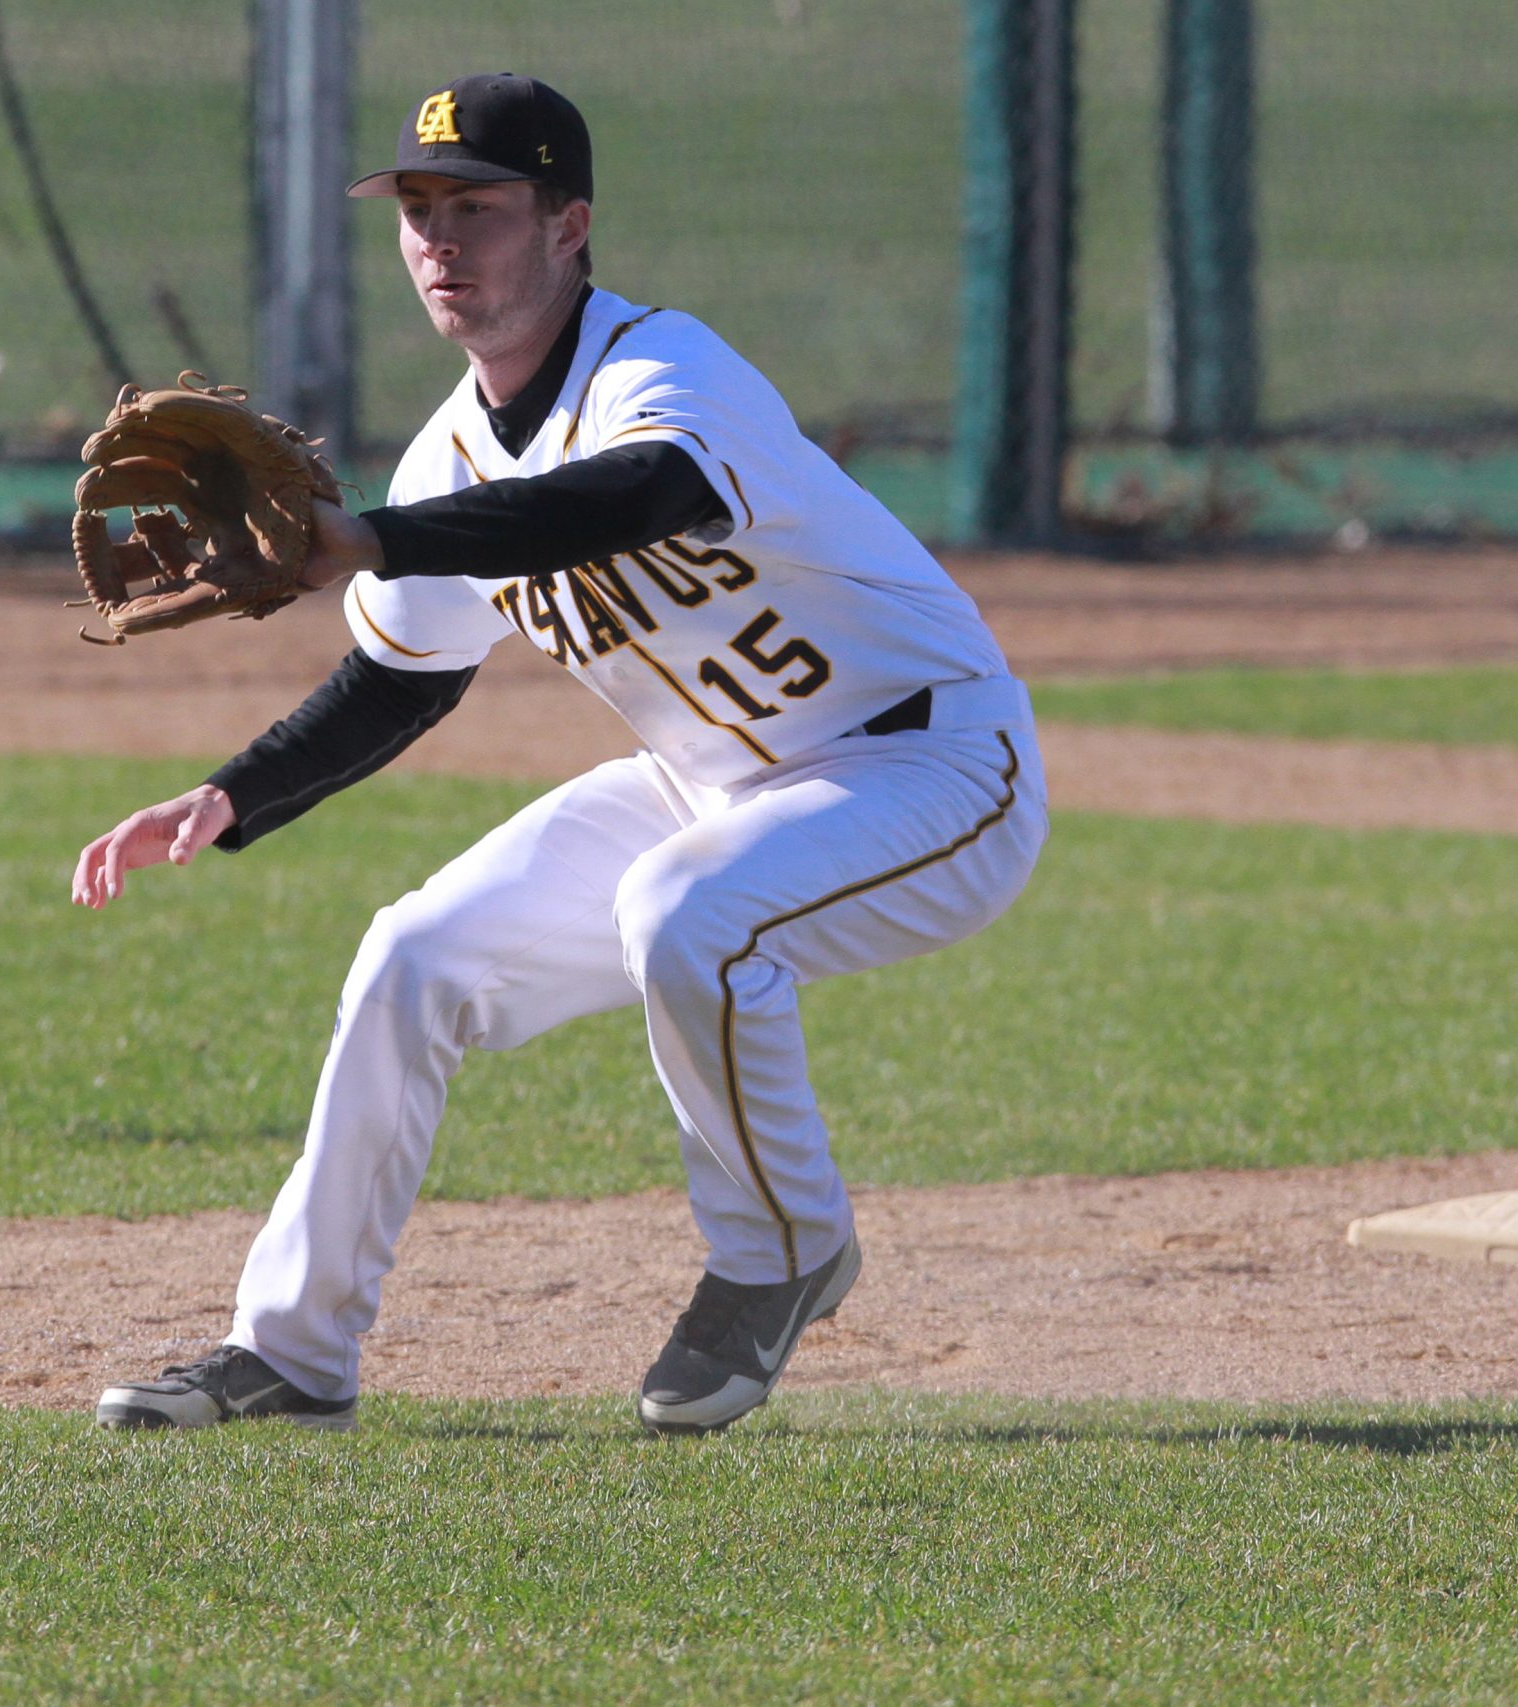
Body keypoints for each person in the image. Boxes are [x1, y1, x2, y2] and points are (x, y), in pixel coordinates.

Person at [76, 72, 1047, 1436]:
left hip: (932, 768)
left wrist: (384, 538)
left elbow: (646, 492)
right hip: (711, 784)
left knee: (685, 912)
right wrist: (232, 795)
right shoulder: (448, 457)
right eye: (416, 209)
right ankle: (291, 1354)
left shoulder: (668, 367)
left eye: (476, 204)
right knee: (412, 958)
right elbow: (401, 681)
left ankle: (781, 1256)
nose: (439, 241)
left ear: (569, 224)